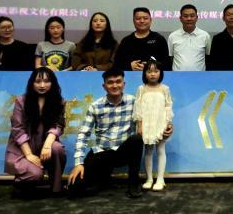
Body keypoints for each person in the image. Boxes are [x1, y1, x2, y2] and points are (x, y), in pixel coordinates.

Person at [68, 68, 163, 198]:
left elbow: (153, 117)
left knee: (136, 139)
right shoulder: (95, 106)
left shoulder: (134, 102)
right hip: (102, 153)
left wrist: (168, 126)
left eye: (118, 81)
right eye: (110, 82)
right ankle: (102, 180)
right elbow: (83, 134)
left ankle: (133, 183)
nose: (115, 85)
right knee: (74, 189)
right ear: (104, 86)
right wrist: (79, 163)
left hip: (123, 152)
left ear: (124, 84)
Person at [5, 67, 66, 196]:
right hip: (23, 148)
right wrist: (29, 155)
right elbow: (18, 129)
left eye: (46, 81)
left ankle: (56, 188)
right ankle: (20, 184)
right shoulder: (21, 101)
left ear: (53, 83)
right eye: (38, 81)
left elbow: (58, 125)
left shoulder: (59, 102)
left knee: (57, 148)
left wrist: (47, 145)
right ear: (32, 83)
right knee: (35, 174)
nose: (42, 85)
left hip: (44, 145)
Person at [134, 59, 173, 192]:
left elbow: (168, 106)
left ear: (160, 73)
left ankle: (160, 179)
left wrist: (168, 124)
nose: (152, 74)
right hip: (147, 124)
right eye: (149, 71)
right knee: (148, 151)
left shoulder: (165, 89)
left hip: (160, 123)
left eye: (156, 71)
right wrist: (140, 125)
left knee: (161, 150)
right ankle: (149, 179)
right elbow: (138, 109)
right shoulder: (141, 89)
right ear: (144, 73)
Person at [168, 4, 211, 71]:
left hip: (199, 76)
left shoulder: (205, 36)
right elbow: (171, 57)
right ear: (180, 18)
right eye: (185, 16)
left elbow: (208, 56)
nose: (189, 19)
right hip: (177, 76)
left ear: (197, 18)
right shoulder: (173, 36)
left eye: (192, 16)